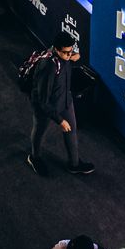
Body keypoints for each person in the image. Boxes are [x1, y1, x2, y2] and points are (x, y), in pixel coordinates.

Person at [27, 34, 93, 176]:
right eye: (66, 52)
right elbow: (43, 100)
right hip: (45, 107)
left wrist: (74, 58)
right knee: (39, 131)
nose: (69, 55)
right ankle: (34, 157)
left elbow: (68, 63)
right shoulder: (48, 66)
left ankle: (74, 164)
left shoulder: (66, 57)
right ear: (56, 49)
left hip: (65, 101)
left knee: (71, 130)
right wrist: (60, 120)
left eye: (71, 51)